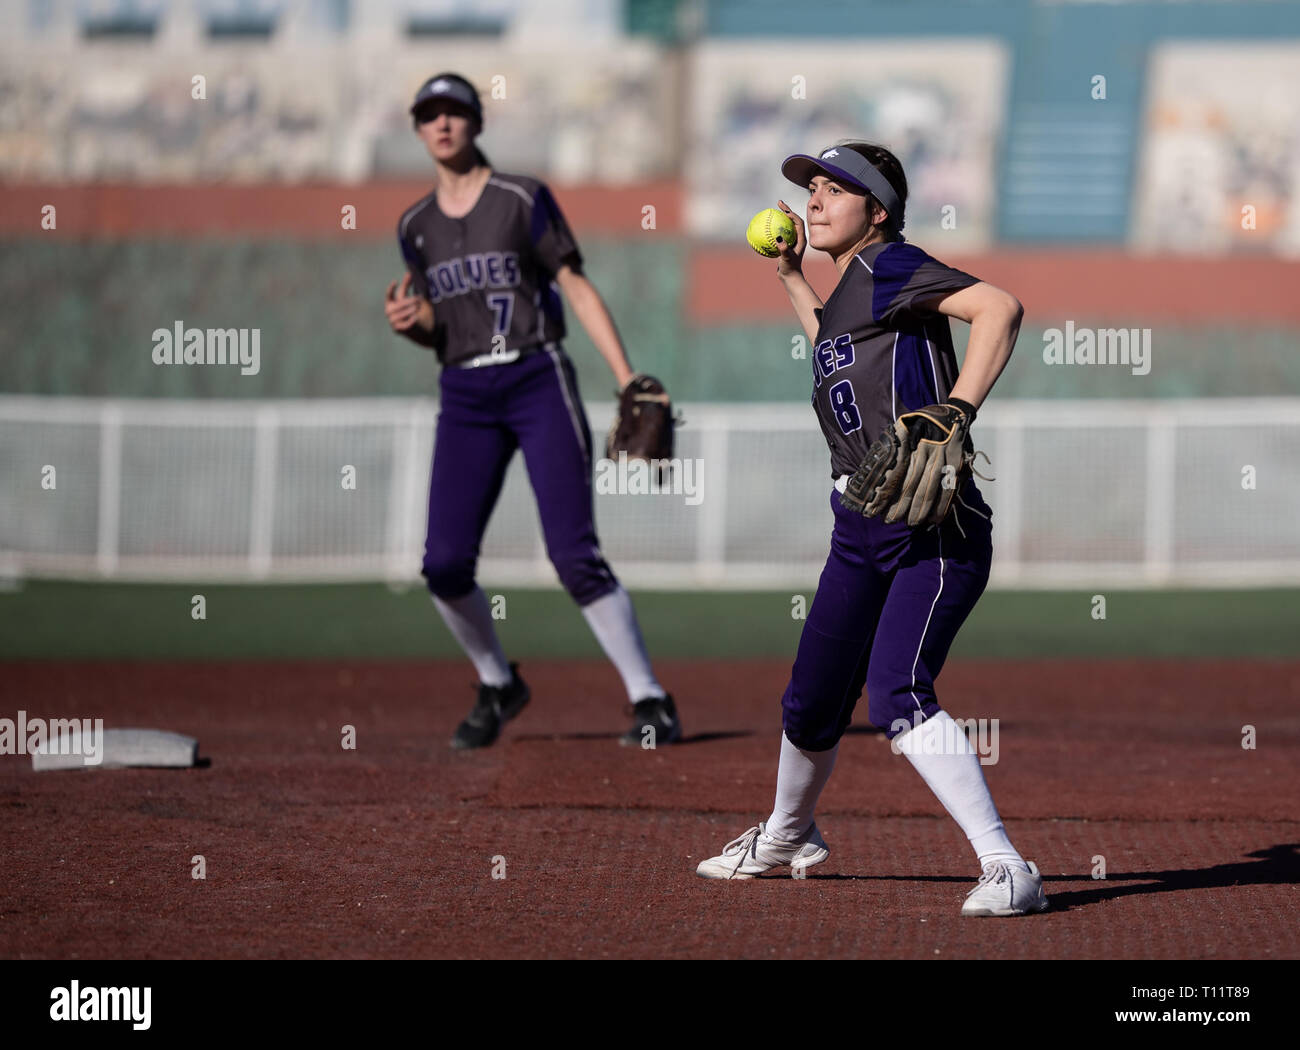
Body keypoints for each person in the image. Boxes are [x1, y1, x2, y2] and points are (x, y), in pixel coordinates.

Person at [695, 142, 1047, 916]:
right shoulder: (851, 288)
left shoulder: (891, 264)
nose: (813, 202)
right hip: (857, 523)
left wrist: (958, 407)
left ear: (877, 212)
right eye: (810, 188)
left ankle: (1008, 868)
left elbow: (1000, 307)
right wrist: (791, 275)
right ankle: (788, 835)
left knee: (896, 692)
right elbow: (831, 338)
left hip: (931, 531)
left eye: (834, 190)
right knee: (812, 699)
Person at [384, 73, 680, 750]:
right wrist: (412, 323)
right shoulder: (414, 227)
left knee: (573, 554)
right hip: (464, 391)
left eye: (455, 111)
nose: (443, 123)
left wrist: (626, 374)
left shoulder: (521, 197)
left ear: (476, 121)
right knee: (444, 564)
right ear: (418, 127)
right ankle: (497, 682)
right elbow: (442, 326)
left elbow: (573, 284)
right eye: (429, 114)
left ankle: (651, 699)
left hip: (536, 375)